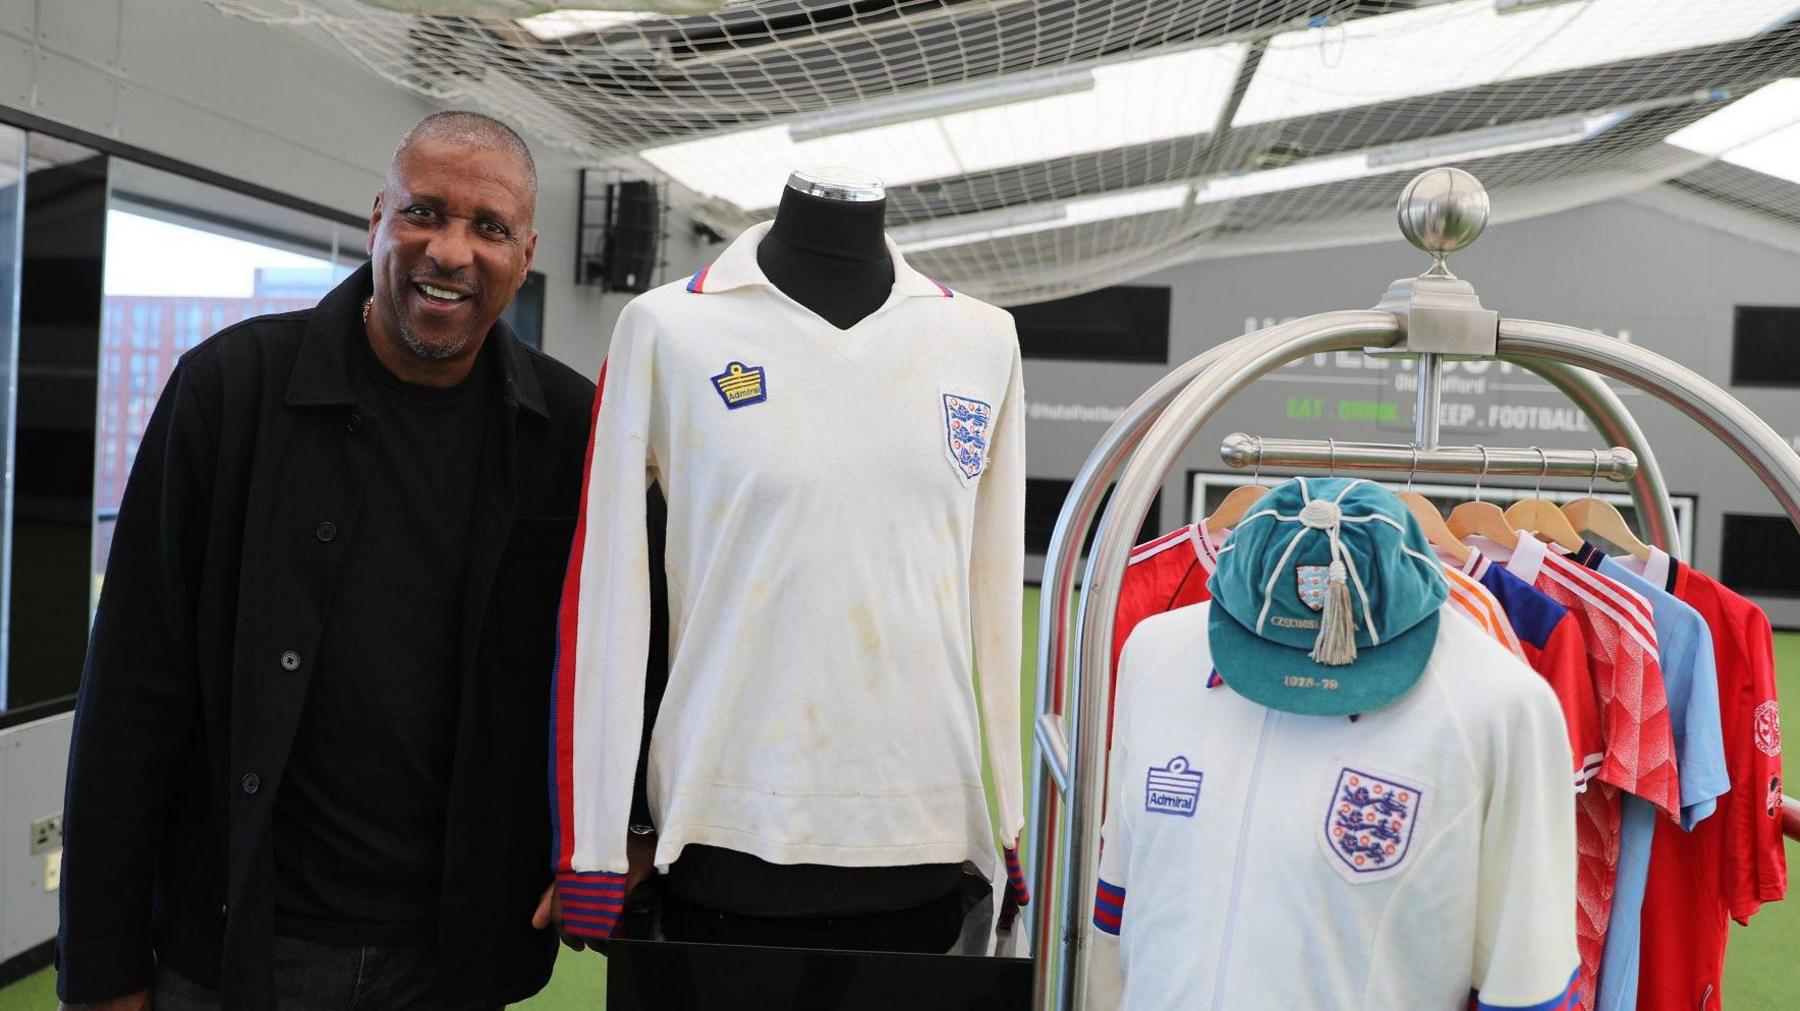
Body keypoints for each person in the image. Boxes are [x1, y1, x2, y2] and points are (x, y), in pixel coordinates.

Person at [55, 111, 596, 1011]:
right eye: (425, 212)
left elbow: (618, 663)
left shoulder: (570, 429)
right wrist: (101, 966)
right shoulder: (230, 391)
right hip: (236, 945)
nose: (451, 251)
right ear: (378, 216)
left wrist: (612, 838)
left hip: (453, 953)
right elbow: (130, 694)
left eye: (488, 227)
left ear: (524, 254)